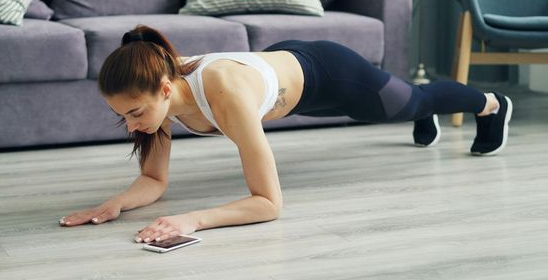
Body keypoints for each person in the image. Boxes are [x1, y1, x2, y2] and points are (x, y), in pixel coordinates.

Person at [59, 25, 513, 244]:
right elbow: (155, 182)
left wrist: (191, 220)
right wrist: (115, 202)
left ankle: (491, 104)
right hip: (283, 77)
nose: (132, 125)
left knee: (415, 100)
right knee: (398, 107)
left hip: (330, 74)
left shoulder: (223, 91)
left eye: (135, 113)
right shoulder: (155, 96)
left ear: (164, 89)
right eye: (123, 117)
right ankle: (416, 114)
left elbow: (269, 203)